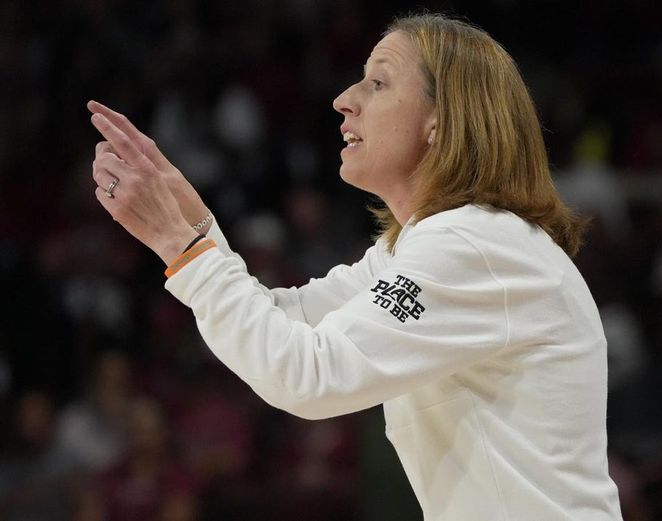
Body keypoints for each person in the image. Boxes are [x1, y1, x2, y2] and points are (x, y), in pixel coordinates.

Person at [87, 12, 623, 521]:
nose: (344, 100)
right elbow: (286, 321)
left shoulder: (476, 245)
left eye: (378, 83)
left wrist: (184, 249)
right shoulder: (427, 246)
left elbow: (307, 374)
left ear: (440, 121)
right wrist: (197, 230)